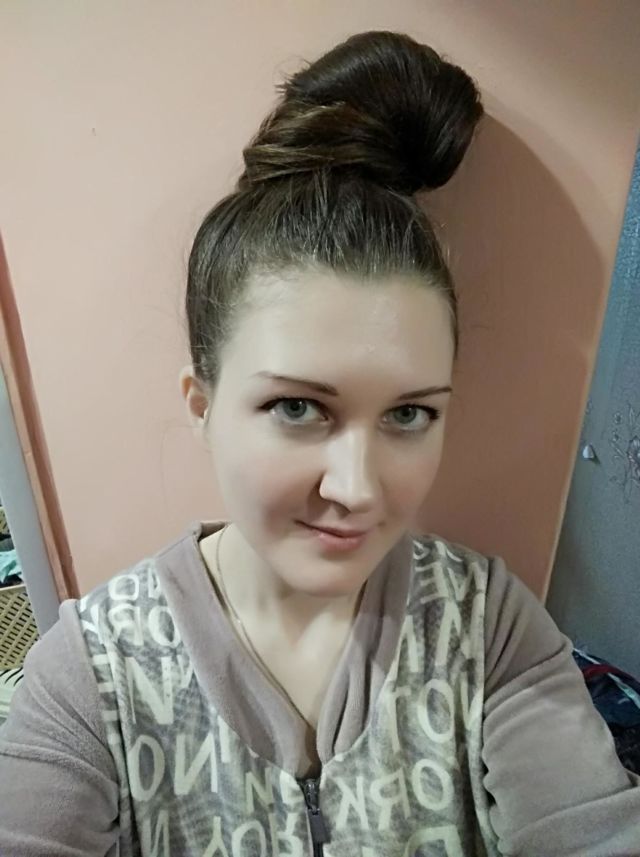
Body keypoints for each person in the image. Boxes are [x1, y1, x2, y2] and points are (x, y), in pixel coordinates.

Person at [0, 30, 638, 857]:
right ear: (202, 404)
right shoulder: (93, 675)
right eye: (298, 407)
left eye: (409, 415)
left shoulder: (489, 631)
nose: (359, 488)